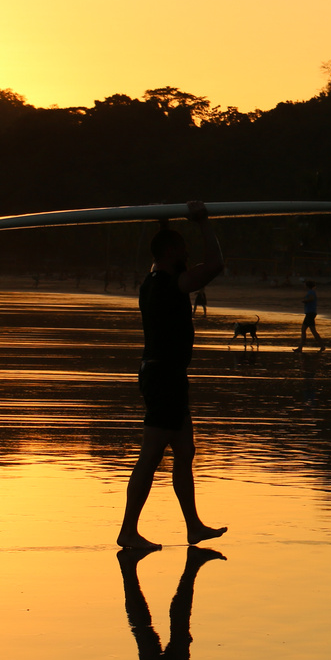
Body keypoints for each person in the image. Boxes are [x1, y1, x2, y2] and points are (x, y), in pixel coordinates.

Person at [116, 201, 227, 550]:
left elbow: (166, 254)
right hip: (164, 378)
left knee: (185, 450)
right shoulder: (171, 283)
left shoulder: (150, 280)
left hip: (166, 376)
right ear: (169, 252)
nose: (187, 253)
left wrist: (165, 223)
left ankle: (193, 526)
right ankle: (128, 531)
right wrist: (205, 223)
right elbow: (216, 265)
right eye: (182, 249)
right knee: (150, 455)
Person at [293, 280, 323, 352]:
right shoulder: (311, 292)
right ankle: (300, 347)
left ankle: (322, 346)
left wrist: (305, 301)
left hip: (310, 313)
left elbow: (311, 298)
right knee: (304, 330)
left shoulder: (311, 292)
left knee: (312, 331)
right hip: (310, 313)